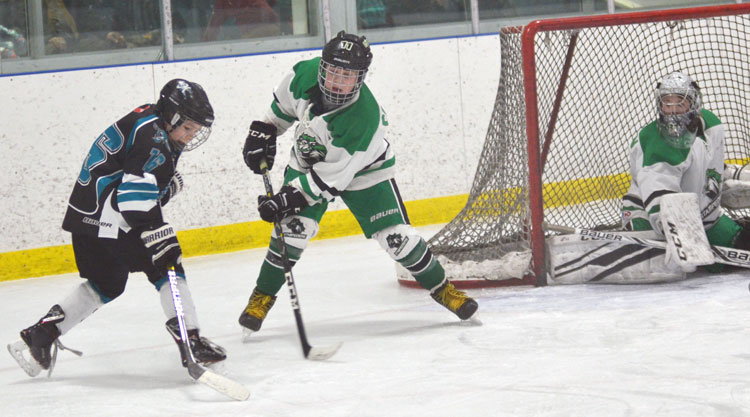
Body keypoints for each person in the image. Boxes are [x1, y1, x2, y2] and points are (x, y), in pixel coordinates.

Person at [237, 31, 479, 335]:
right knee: (292, 233)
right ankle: (261, 297)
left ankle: (444, 290)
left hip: (365, 170)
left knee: (397, 239)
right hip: (309, 157)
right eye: (334, 71)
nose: (338, 81)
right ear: (323, 66)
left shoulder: (364, 118)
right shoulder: (304, 73)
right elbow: (281, 110)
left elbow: (329, 180)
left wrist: (285, 198)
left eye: (347, 75)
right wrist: (264, 131)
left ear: (361, 78)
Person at [8, 79, 226, 378]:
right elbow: (133, 201)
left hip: (85, 216)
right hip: (113, 216)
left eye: (195, 131)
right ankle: (191, 339)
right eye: (187, 128)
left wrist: (162, 191)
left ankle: (42, 334)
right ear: (173, 116)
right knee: (167, 266)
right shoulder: (155, 140)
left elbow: (131, 178)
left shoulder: (149, 119)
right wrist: (157, 234)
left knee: (108, 283)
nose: (190, 137)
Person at [621, 71, 750, 269]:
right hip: (652, 223)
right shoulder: (659, 141)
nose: (672, 110)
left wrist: (735, 179)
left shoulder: (711, 126)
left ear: (694, 104)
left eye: (679, 103)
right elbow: (659, 195)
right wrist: (682, 237)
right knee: (669, 266)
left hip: (706, 221)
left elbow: (714, 169)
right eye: (667, 103)